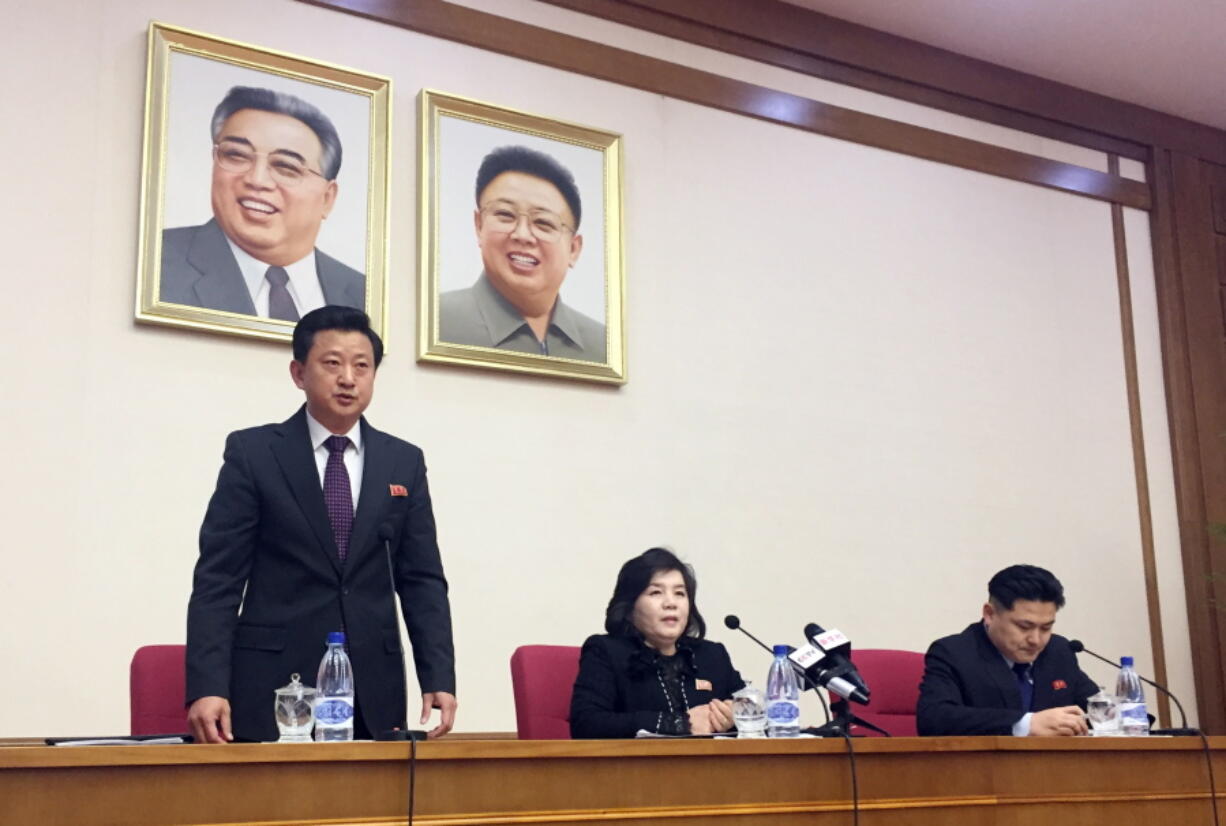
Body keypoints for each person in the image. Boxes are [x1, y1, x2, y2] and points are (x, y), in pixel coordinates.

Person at [185, 306, 455, 743]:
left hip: (372, 683)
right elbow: (218, 579)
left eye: (362, 366)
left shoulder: (403, 461)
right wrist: (207, 686)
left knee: (368, 811)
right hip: (273, 684)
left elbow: (422, 579)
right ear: (298, 373)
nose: (348, 378)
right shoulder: (254, 454)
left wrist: (438, 674)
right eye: (332, 363)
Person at [161, 86, 364, 319]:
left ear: (327, 198)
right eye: (236, 155)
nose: (257, 180)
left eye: (286, 167)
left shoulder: (361, 294)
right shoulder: (157, 263)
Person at [439, 145, 606, 363]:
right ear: (479, 225)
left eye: (543, 223)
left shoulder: (602, 345)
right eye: (506, 214)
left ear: (573, 249)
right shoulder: (438, 320)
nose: (522, 235)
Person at [570, 548, 744, 738]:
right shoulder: (606, 651)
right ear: (629, 607)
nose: (671, 603)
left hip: (711, 767)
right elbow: (586, 723)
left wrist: (735, 717)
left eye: (679, 593)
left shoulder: (712, 655)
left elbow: (756, 716)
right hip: (636, 767)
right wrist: (680, 723)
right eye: (656, 592)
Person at [916, 564, 1097, 736]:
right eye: (1024, 626)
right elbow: (934, 719)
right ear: (990, 614)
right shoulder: (955, 653)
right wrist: (1026, 724)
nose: (1035, 640)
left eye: (1046, 628)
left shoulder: (1058, 651)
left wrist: (1118, 713)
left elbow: (1097, 707)